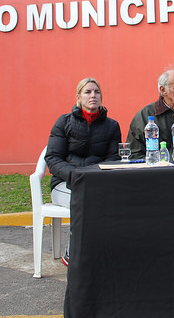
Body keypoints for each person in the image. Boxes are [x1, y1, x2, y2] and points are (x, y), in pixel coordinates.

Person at [45, 77, 121, 266]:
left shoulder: (112, 126)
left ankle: (106, 254)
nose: (93, 96)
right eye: (87, 92)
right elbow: (53, 158)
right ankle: (72, 254)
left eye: (96, 92)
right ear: (78, 97)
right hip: (65, 184)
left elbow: (113, 158)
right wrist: (75, 175)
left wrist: (94, 175)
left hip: (97, 183)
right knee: (84, 200)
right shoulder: (63, 122)